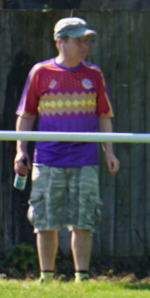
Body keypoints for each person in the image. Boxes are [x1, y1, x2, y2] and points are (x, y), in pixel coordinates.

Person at [13, 16, 120, 282]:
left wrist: (109, 152)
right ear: (60, 42)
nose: (84, 46)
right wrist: (21, 150)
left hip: (85, 159)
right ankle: (46, 277)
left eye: (87, 41)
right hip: (48, 159)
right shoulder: (41, 72)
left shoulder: (94, 74)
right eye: (78, 40)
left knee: (84, 220)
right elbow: (26, 114)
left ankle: (81, 277)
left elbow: (104, 116)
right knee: (44, 220)